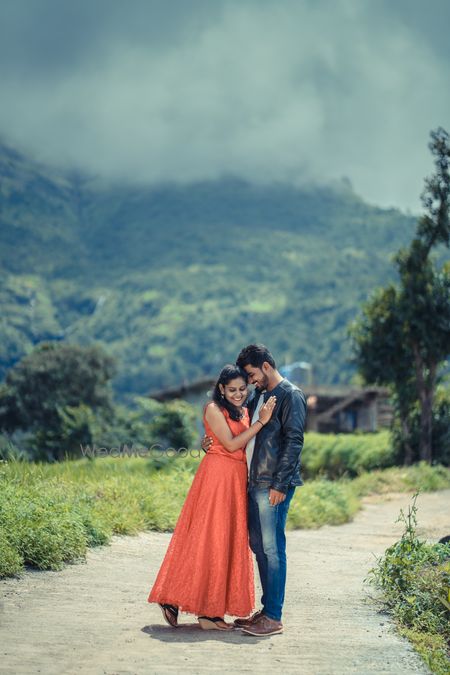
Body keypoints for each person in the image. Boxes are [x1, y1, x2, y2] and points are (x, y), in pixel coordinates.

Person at [147, 364, 276, 630]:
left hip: (235, 479)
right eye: (232, 390)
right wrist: (262, 421)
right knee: (209, 539)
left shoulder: (243, 410)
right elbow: (230, 443)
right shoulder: (213, 409)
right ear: (221, 389)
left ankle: (204, 608)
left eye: (242, 389)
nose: (238, 394)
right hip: (217, 479)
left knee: (223, 542)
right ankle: (205, 612)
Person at [202, 344, 307, 636]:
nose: (249, 382)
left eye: (251, 375)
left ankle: (273, 617)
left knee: (272, 549)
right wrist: (208, 442)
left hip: (272, 484)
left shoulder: (291, 395)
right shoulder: (258, 395)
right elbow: (237, 430)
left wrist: (280, 484)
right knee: (259, 547)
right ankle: (266, 610)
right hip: (251, 483)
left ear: (266, 366)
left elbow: (294, 442)